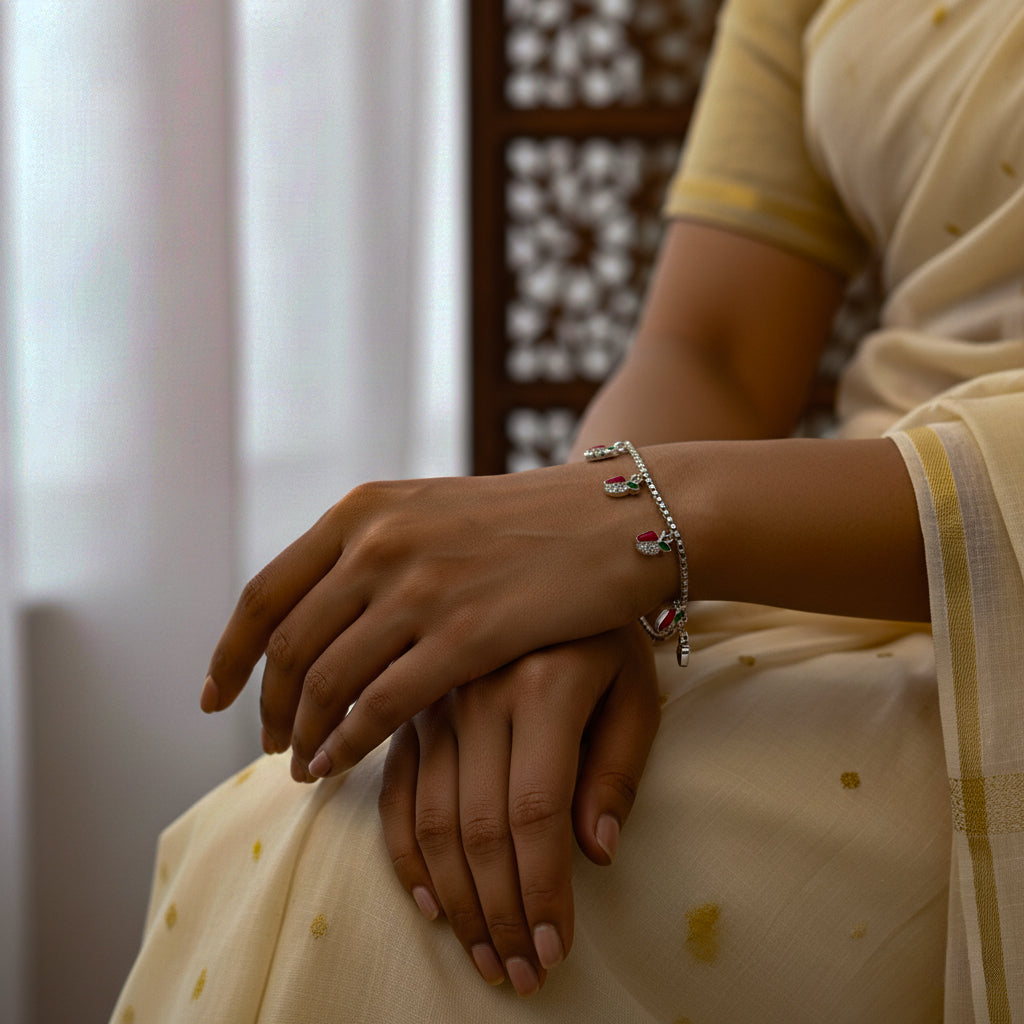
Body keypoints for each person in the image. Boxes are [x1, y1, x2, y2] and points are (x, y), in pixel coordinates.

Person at [111, 0, 1024, 1020]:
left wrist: (628, 522)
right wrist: (576, 583)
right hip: (815, 580)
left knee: (389, 903)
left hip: (965, 613)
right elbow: (708, 350)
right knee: (338, 826)